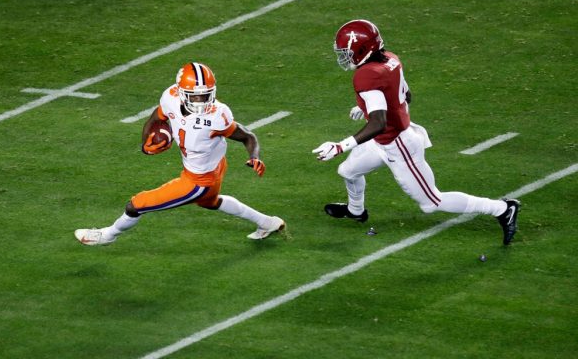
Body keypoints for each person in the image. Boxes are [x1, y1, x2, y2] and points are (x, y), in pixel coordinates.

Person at [312, 19, 519, 245]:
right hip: (385, 140)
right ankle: (356, 211)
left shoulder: (366, 75)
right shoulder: (390, 58)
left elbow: (379, 122)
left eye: (347, 51)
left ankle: (502, 209)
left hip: (398, 144)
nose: (344, 57)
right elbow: (404, 95)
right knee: (348, 171)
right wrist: (367, 106)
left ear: (362, 50)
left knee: (432, 202)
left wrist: (341, 146)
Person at [75, 62, 286, 245]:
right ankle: (267, 222)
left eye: (206, 95)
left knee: (136, 205)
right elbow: (156, 118)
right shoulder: (171, 98)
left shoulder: (217, 115)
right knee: (210, 202)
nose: (202, 101)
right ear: (181, 92)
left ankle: (107, 235)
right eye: (196, 97)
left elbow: (247, 136)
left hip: (198, 180)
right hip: (211, 167)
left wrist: (254, 156)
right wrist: (145, 144)